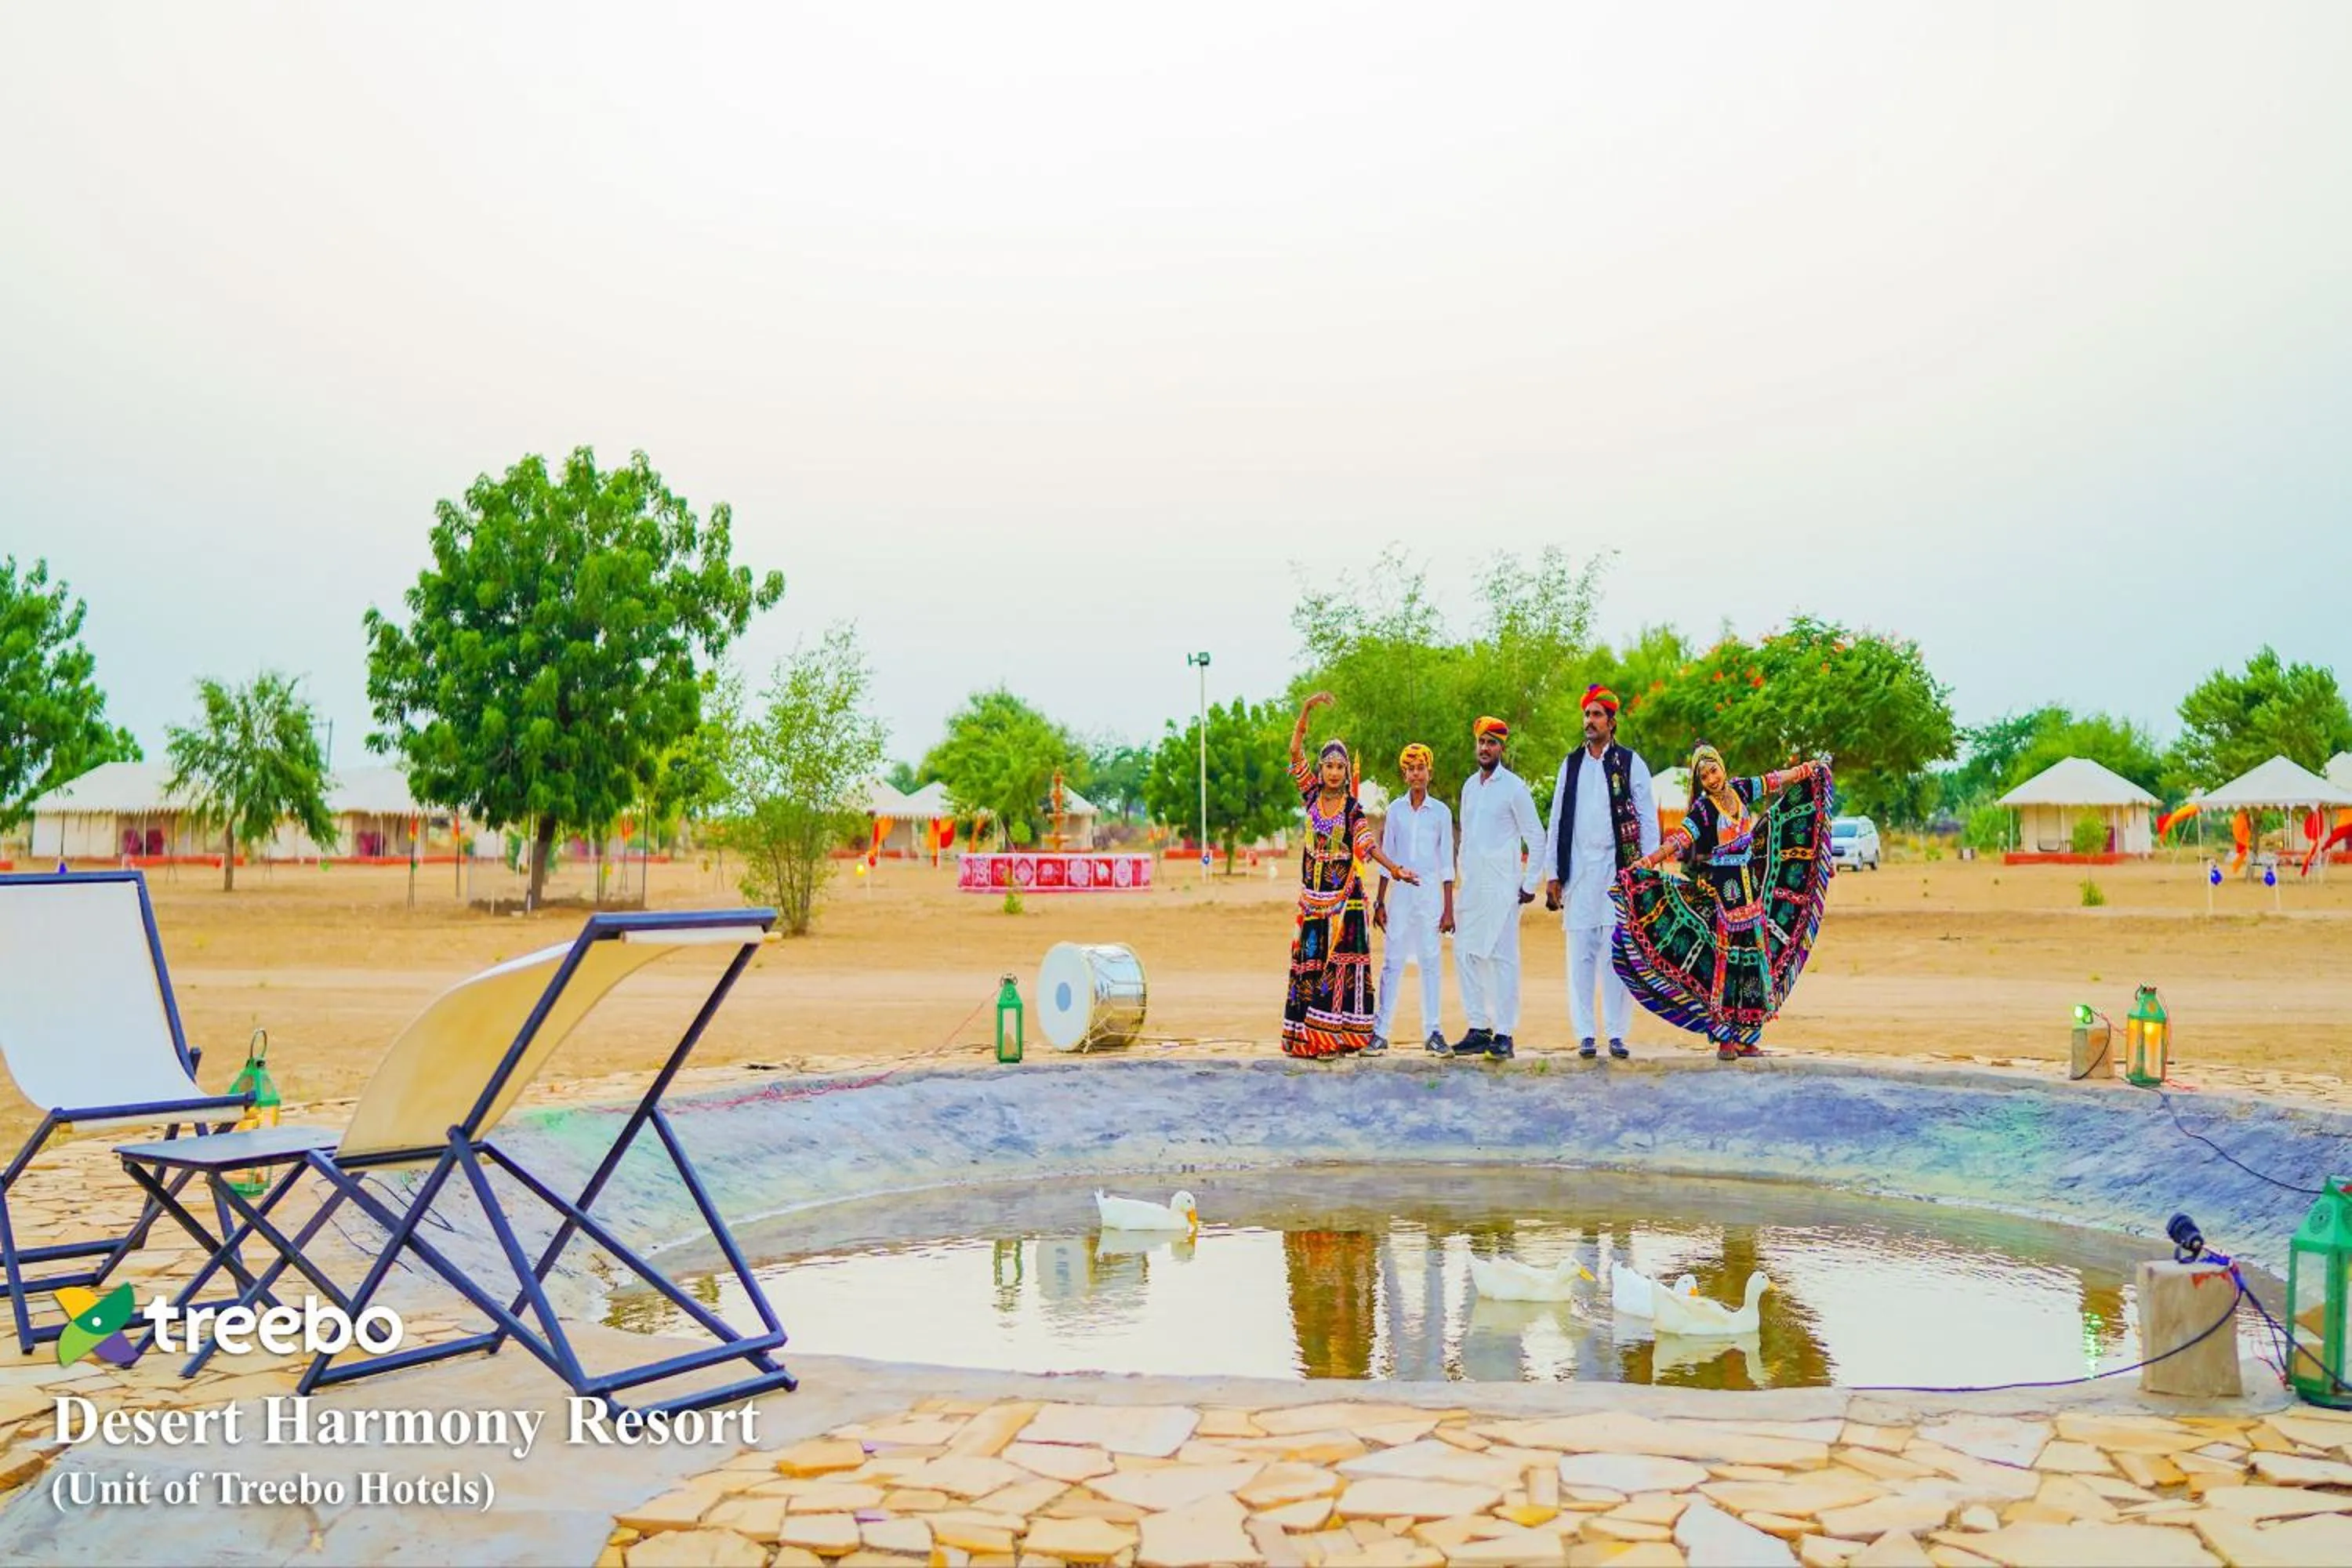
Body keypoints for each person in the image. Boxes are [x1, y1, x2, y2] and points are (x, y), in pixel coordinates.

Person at [1613, 745, 1835, 1061]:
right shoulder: (1704, 809)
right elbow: (1679, 840)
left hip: (1752, 888)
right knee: (1726, 965)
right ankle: (1725, 1039)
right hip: (1725, 892)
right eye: (1704, 776)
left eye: (1713, 771)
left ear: (1722, 766)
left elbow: (1775, 780)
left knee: (1754, 963)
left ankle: (1748, 1037)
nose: (1711, 779)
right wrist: (1648, 861)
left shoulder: (1742, 789)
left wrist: (1805, 770)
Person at [1282, 691, 1421, 1059]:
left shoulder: (1352, 809)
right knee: (1310, 967)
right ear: (1321, 769)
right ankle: (1306, 1038)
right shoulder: (1311, 796)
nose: (1333, 772)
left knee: (1335, 970)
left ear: (1346, 773)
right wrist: (1306, 709)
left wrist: (1395, 869)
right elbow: (1294, 752)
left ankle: (1332, 1039)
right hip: (1313, 901)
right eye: (1328, 765)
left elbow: (1366, 845)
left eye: (1339, 767)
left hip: (1345, 903)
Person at [1542, 684, 1658, 1060]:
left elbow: (1647, 819)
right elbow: (1557, 819)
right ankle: (1586, 1035)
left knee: (1615, 955)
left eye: (1597, 715)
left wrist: (1646, 868)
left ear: (1612, 721)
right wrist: (1553, 872)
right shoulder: (1571, 764)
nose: (1589, 721)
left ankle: (1617, 1034)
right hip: (1578, 873)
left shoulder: (1630, 762)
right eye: (1587, 714)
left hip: (1617, 872)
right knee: (1579, 956)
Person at [1449, 715, 1543, 1059]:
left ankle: (1504, 1033)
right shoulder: (1469, 787)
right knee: (1465, 952)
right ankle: (1478, 1027)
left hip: (1504, 888)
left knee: (1503, 959)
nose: (1485, 748)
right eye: (1481, 742)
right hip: (1473, 886)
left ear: (1501, 747)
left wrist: (1530, 883)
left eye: (1491, 743)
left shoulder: (1514, 788)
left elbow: (1536, 836)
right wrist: (1462, 876)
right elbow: (1467, 837)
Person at [1372, 742, 1455, 1054]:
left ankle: (1433, 1032)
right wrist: (1380, 902)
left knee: (1431, 962)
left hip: (1431, 896)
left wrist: (1448, 909)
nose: (1416, 774)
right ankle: (1380, 1031)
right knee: (1392, 961)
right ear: (1404, 774)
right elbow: (1387, 857)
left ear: (1429, 772)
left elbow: (1446, 862)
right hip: (1401, 897)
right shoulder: (1395, 810)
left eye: (1421, 768)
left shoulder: (1441, 813)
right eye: (1411, 769)